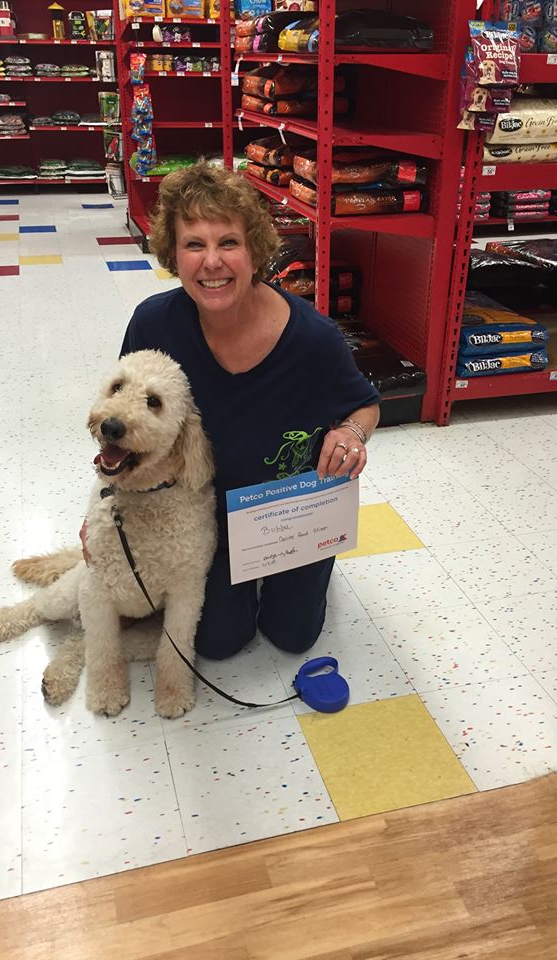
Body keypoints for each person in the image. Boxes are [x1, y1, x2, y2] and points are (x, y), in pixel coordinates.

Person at [114, 161, 380, 660]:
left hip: (291, 509)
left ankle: (306, 571)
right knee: (218, 642)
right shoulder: (152, 323)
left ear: (255, 250)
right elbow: (125, 428)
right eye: (194, 244)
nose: (211, 262)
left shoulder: (313, 338)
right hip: (198, 510)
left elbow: (363, 404)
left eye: (228, 242)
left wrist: (350, 435)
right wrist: (107, 510)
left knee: (293, 635)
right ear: (173, 253)